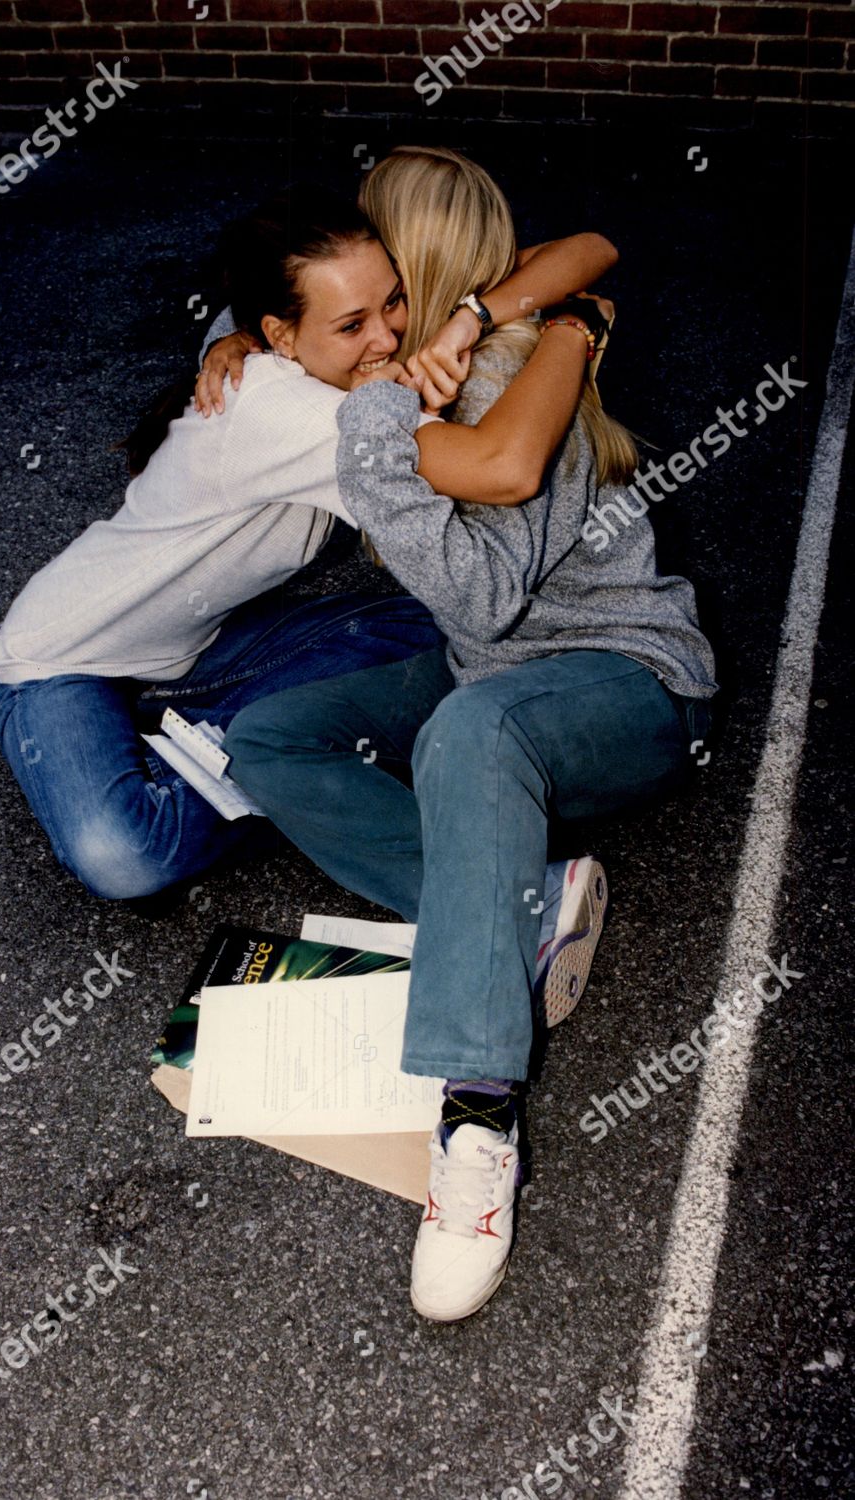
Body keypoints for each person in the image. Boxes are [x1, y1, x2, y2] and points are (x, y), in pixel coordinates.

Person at [221, 147, 718, 1322]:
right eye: (355, 312)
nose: (379, 322)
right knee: (270, 737)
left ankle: (477, 1119)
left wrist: (403, 403)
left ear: (424, 278)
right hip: (486, 675)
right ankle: (513, 908)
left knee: (468, 734)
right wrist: (240, 346)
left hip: (628, 685)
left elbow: (486, 588)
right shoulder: (409, 366)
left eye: (394, 294)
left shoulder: (504, 383)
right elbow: (588, 254)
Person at [0, 178, 619, 906]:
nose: (384, 338)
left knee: (453, 636)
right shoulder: (289, 410)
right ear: (281, 334)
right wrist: (574, 328)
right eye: (351, 326)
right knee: (125, 855)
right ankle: (270, 764)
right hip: (63, 659)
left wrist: (467, 317)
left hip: (206, 646)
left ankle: (228, 746)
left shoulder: (305, 343)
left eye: (395, 302)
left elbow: (589, 249)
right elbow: (503, 470)